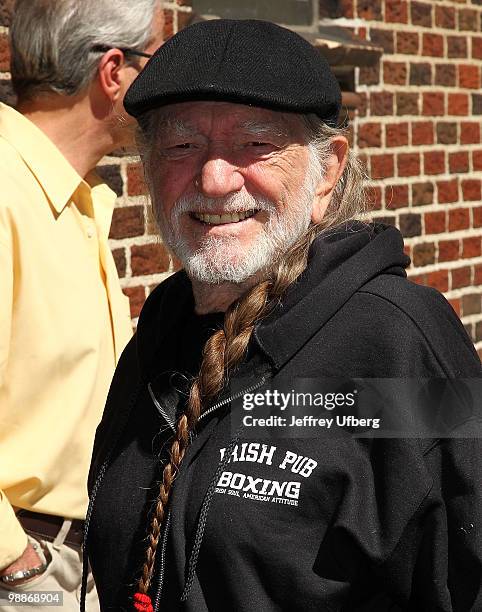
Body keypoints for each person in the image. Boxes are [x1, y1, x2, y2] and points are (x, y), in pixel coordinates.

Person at [84, 19, 482, 612]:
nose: (215, 179)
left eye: (255, 144)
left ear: (326, 172)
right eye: (181, 146)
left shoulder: (397, 349)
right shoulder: (157, 342)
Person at [0, 0, 163, 609]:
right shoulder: (6, 193)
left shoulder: (74, 199)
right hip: (27, 571)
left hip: (77, 562)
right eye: (157, 61)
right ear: (114, 71)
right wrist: (19, 569)